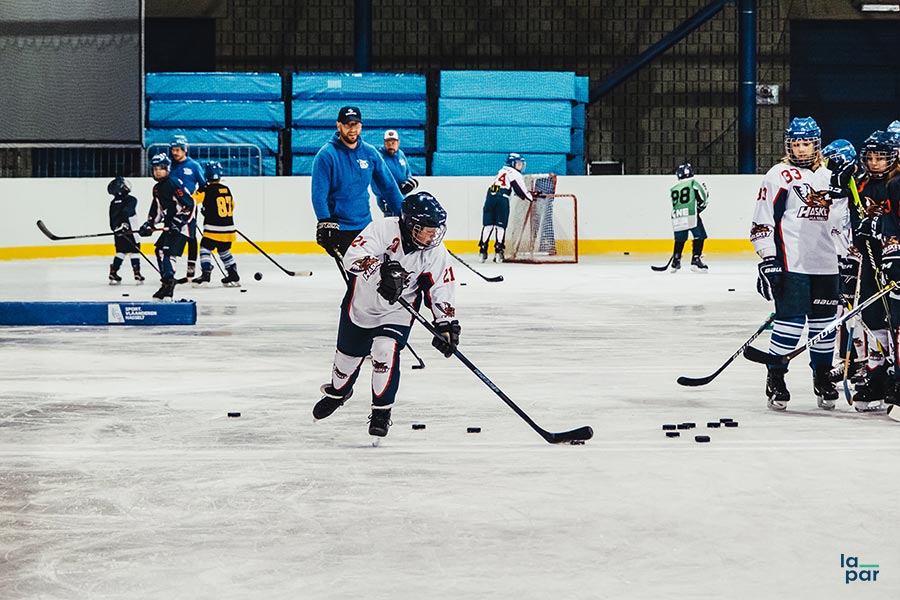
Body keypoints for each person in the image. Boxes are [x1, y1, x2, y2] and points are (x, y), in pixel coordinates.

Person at [313, 191, 459, 438]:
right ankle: (338, 392)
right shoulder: (382, 229)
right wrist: (382, 272)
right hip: (361, 307)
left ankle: (382, 412)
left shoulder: (435, 251)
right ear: (410, 224)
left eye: (436, 229)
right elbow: (353, 257)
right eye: (426, 229)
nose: (433, 235)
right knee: (344, 365)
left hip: (397, 313)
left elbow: (441, 287)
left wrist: (445, 323)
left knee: (384, 351)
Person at [750, 116, 844, 412]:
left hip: (827, 263)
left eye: (806, 143)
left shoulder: (832, 176)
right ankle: (776, 376)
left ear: (817, 144)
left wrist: (850, 257)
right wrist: (768, 258)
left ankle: (822, 376)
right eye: (795, 143)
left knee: (823, 326)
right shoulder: (778, 174)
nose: (800, 149)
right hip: (792, 262)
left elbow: (843, 220)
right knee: (790, 323)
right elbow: (763, 219)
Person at [848, 131, 900, 411]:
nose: (875, 162)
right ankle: (877, 377)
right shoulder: (861, 184)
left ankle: (894, 376)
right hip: (870, 259)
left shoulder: (896, 183)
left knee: (896, 318)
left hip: (895, 256)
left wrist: (879, 226)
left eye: (881, 157)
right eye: (870, 157)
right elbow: (851, 220)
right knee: (872, 316)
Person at [311, 106, 405, 260]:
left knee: (381, 275)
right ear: (338, 125)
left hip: (366, 227)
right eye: (348, 124)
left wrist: (404, 213)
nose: (352, 129)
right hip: (341, 228)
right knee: (357, 280)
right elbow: (319, 195)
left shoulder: (370, 153)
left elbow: (389, 187)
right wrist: (325, 221)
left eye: (355, 124)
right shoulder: (326, 155)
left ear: (361, 126)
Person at [138, 153, 196, 301]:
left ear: (168, 169)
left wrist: (179, 220)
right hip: (171, 226)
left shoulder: (173, 183)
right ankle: (166, 282)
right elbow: (157, 208)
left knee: (168, 252)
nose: (158, 171)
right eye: (155, 168)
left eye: (161, 168)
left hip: (183, 226)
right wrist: (150, 223)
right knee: (159, 250)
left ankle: (169, 285)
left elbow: (189, 204)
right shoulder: (157, 188)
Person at [192, 161, 240, 287]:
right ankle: (233, 274)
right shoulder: (226, 189)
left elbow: (192, 201)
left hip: (212, 229)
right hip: (229, 228)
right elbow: (232, 206)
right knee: (224, 250)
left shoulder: (205, 189)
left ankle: (206, 274)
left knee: (205, 248)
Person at [480, 152, 535, 263]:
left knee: (488, 225)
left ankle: (482, 250)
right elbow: (521, 191)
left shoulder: (501, 170)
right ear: (512, 163)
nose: (520, 166)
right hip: (502, 198)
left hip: (490, 197)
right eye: (518, 164)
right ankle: (499, 251)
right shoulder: (515, 174)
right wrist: (531, 197)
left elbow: (506, 186)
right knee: (500, 226)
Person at [168, 136, 206, 280]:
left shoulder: (194, 166)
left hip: (188, 207)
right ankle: (170, 269)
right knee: (172, 234)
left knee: (191, 236)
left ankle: (191, 267)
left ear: (185, 150)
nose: (175, 153)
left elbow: (203, 187)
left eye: (178, 150)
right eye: (173, 150)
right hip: (172, 207)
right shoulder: (170, 166)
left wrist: (194, 201)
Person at [668, 162, 709, 272]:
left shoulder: (674, 188)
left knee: (680, 238)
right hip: (691, 213)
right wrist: (700, 208)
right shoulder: (693, 183)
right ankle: (696, 260)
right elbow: (703, 197)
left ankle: (676, 260)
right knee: (700, 236)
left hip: (677, 215)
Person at [106, 176, 145, 285]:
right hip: (131, 230)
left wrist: (115, 229)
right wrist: (125, 224)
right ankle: (137, 273)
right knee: (135, 251)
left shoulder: (113, 203)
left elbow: (112, 219)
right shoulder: (131, 199)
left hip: (118, 232)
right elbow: (128, 211)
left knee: (120, 251)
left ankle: (113, 271)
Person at [371, 129, 418, 217]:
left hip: (402, 198)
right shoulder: (378, 157)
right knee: (391, 223)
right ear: (384, 143)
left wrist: (410, 183)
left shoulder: (401, 154)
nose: (390, 145)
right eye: (388, 142)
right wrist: (384, 195)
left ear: (398, 142)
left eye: (393, 142)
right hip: (387, 199)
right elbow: (374, 180)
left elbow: (408, 172)